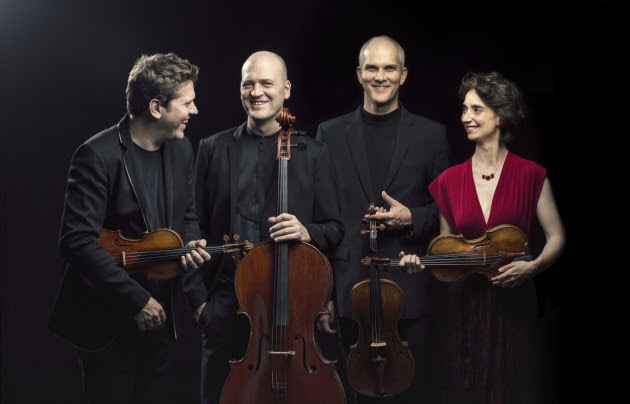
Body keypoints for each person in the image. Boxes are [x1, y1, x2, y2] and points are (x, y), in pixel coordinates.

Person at [48, 52, 212, 404]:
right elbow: (77, 241)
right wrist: (137, 300)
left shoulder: (182, 149)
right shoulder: (97, 155)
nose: (194, 111)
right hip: (109, 322)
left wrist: (189, 248)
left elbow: (186, 215)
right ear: (156, 108)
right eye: (187, 103)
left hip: (161, 321)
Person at [185, 50, 345, 404]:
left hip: (292, 302)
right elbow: (190, 222)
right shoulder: (212, 148)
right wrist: (199, 303)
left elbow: (336, 228)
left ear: (286, 89)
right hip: (226, 300)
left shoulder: (314, 153)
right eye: (248, 84)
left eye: (266, 83)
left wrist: (307, 231)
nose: (256, 92)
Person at [400, 71, 566, 403]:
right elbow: (448, 250)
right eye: (464, 109)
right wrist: (421, 262)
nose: (466, 117)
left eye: (476, 109)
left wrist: (532, 267)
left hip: (515, 303)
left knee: (513, 386)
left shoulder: (532, 175)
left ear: (500, 115)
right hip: (464, 307)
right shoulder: (449, 181)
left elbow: (557, 237)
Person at [315, 35, 450, 403]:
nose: (380, 76)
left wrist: (412, 217)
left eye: (389, 68)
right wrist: (324, 295)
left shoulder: (432, 135)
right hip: (349, 290)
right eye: (372, 68)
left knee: (413, 394)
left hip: (410, 289)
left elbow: (448, 212)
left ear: (403, 75)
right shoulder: (329, 134)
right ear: (359, 74)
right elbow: (322, 216)